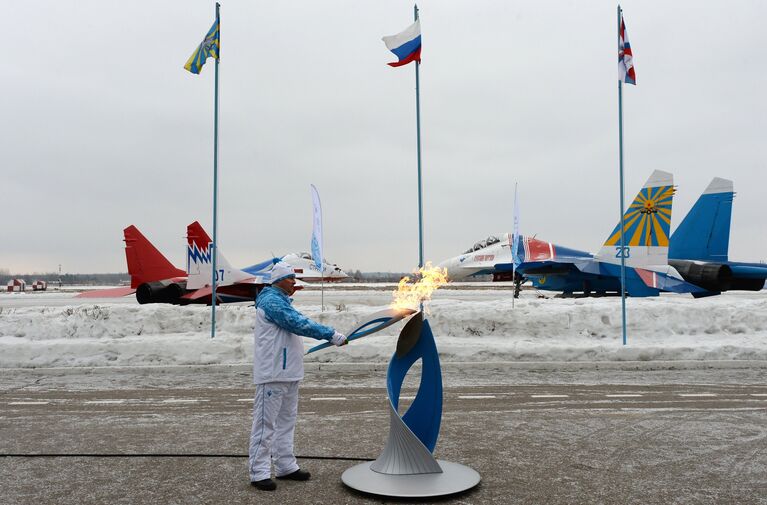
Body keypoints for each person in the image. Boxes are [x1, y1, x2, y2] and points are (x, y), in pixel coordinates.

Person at [248, 262, 346, 491]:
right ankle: (258, 471)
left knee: (286, 422)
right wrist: (330, 334)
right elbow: (298, 323)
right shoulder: (271, 301)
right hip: (273, 373)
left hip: (289, 372)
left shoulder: (281, 301)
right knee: (265, 425)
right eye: (290, 278)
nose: (294, 282)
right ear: (278, 280)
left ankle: (285, 465)